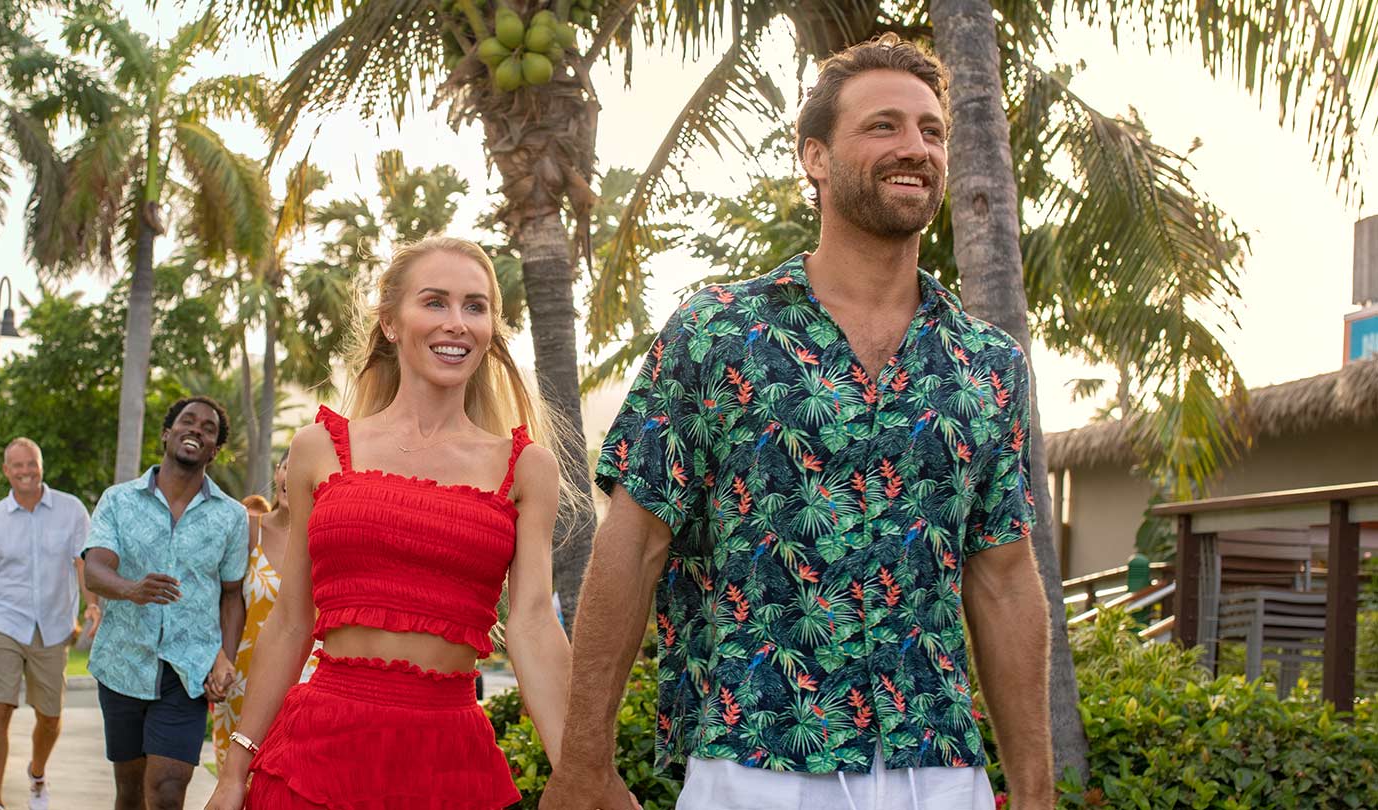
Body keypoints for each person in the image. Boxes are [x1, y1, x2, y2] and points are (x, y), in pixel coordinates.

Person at [540, 33, 1053, 810]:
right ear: (814, 156)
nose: (915, 146)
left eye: (931, 129)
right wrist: (581, 767)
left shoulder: (988, 364)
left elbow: (1006, 582)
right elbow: (634, 542)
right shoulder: (717, 333)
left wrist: (1039, 793)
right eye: (883, 125)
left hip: (939, 768)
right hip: (755, 761)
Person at [205, 236, 572, 810]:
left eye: (475, 307)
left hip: (450, 766)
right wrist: (234, 773)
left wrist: (582, 775)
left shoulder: (526, 467)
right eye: (435, 302)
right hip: (314, 758)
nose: (457, 323)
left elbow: (532, 626)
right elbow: (291, 621)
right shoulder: (319, 449)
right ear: (391, 322)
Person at [84, 396, 249, 810]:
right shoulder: (118, 501)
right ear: (167, 433)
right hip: (123, 661)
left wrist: (225, 657)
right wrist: (130, 589)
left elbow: (231, 595)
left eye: (208, 429)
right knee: (130, 788)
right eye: (187, 422)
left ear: (214, 449)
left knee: (169, 788)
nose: (196, 429)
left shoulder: (230, 517)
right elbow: (95, 569)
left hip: (187, 669)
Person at [0, 437, 99, 810]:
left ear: (41, 465)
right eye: (18, 466)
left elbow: (83, 564)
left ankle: (37, 771)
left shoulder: (71, 510)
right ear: (6, 471)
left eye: (31, 464)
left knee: (50, 717)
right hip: (5, 625)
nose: (26, 472)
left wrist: (92, 605)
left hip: (53, 627)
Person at [211, 451, 321, 767]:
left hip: (308, 687)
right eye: (289, 466)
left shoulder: (325, 539)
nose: (294, 476)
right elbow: (219, 599)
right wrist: (219, 655)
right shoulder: (247, 530)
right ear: (278, 472)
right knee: (236, 787)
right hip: (244, 683)